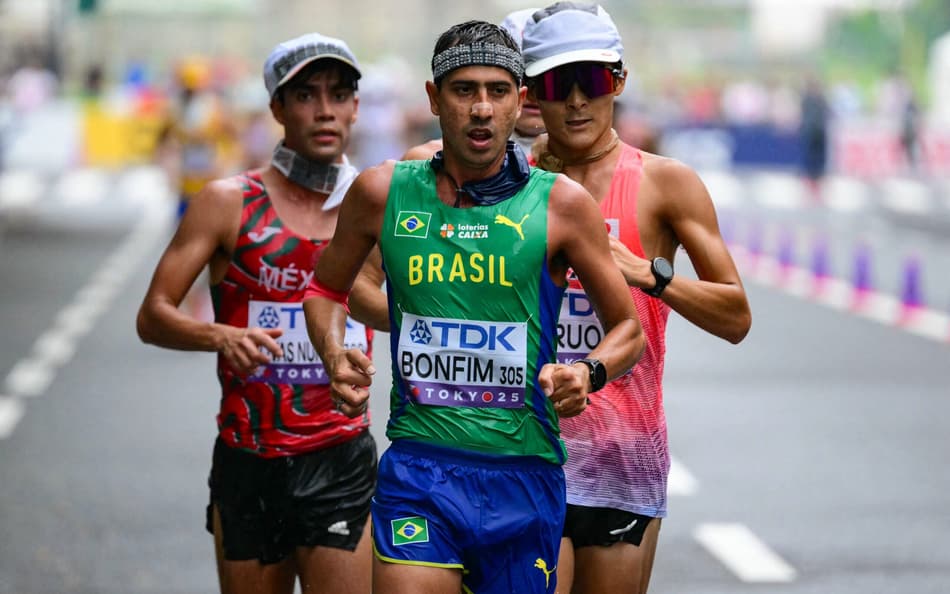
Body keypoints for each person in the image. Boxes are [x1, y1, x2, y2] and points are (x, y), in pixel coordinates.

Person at [302, 20, 644, 594]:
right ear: (435, 99)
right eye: (464, 91)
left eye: (497, 90)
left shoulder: (562, 205)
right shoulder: (383, 192)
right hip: (420, 468)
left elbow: (628, 328)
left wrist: (588, 371)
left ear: (521, 100)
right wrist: (335, 353)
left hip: (524, 473)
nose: (481, 109)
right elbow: (324, 289)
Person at [136, 32, 386, 594]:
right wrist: (220, 335)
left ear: (355, 107)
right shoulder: (227, 202)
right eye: (305, 95)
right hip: (249, 458)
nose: (325, 110)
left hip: (340, 457)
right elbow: (153, 314)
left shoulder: (378, 205)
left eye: (339, 94)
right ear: (276, 106)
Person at [521, 4, 752, 593]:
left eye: (591, 81)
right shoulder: (505, 181)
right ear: (530, 94)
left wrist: (650, 275)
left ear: (618, 82)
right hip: (520, 455)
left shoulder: (664, 183)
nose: (575, 100)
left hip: (621, 461)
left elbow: (736, 316)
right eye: (555, 83)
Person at [400, 7, 545, 160]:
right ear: (436, 98)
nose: (533, 94)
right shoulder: (424, 165)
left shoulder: (563, 178)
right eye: (465, 89)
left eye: (547, 81)